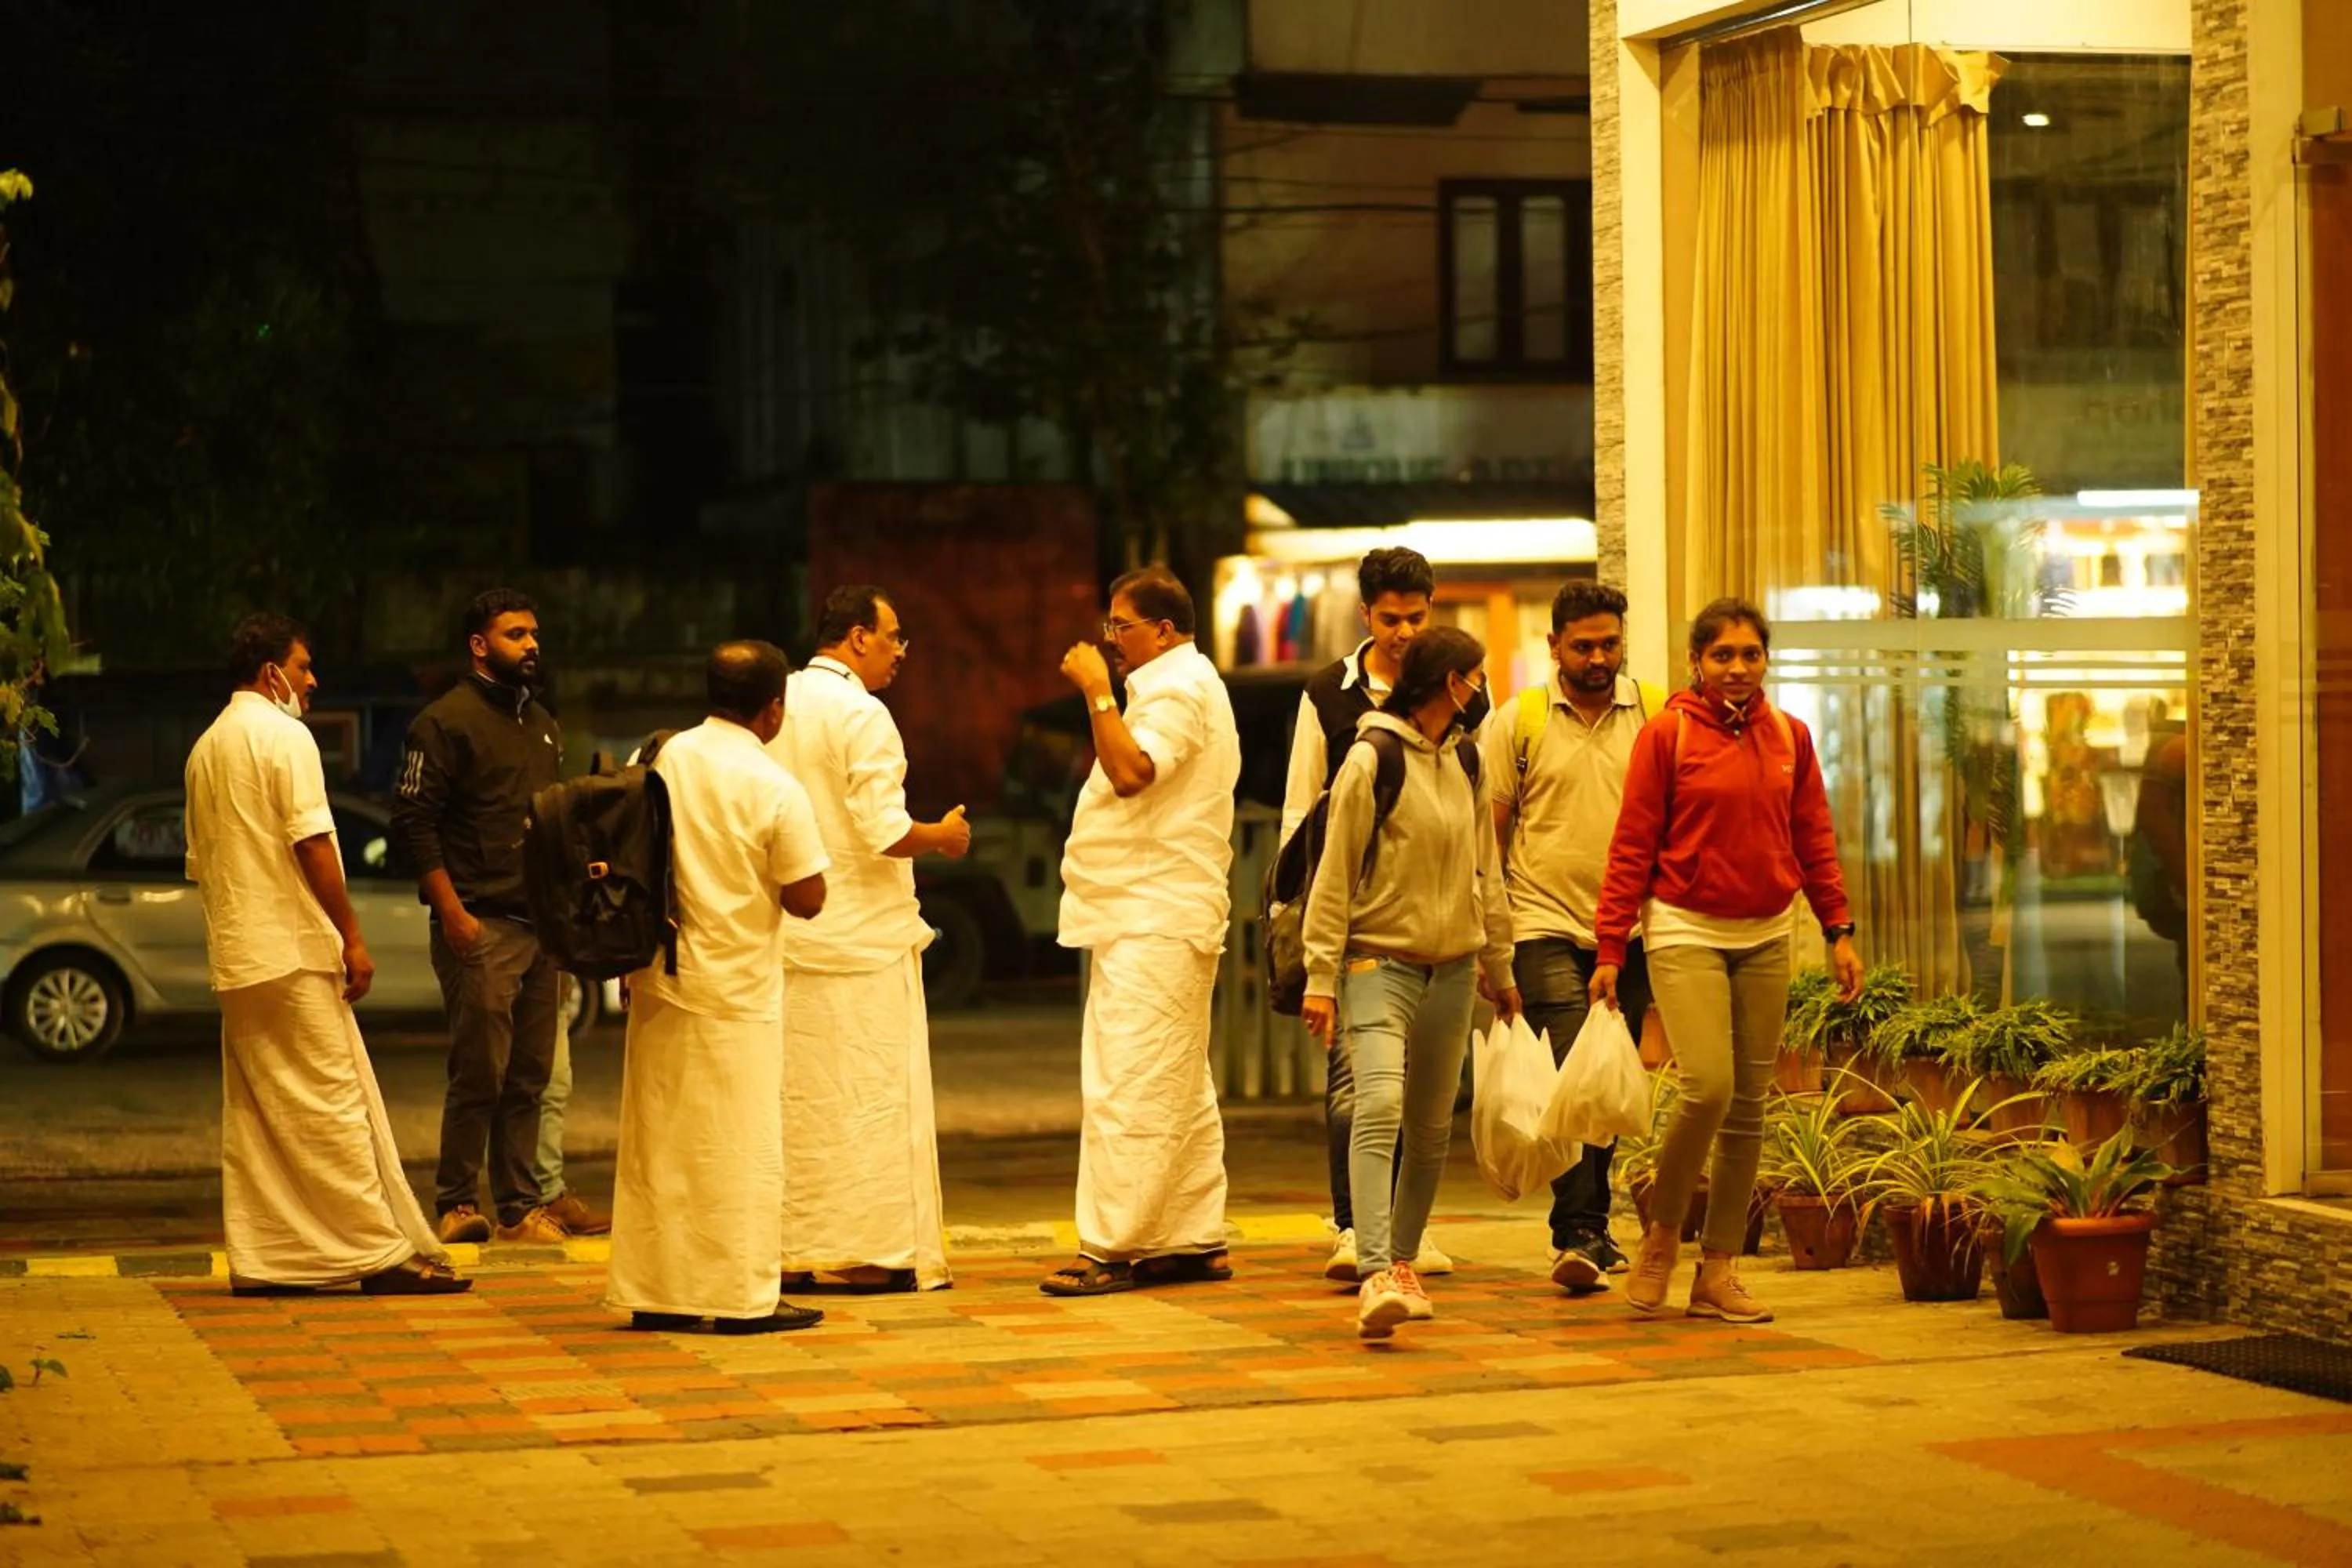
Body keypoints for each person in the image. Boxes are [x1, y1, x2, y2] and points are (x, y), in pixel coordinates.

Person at [1592, 598, 1861, 1325]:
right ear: (1696, 662)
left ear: (1765, 660)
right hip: (1684, 927)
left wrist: (1837, 928)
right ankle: (1661, 1236)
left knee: (1748, 1104)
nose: (1738, 668)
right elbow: (1631, 845)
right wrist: (1611, 944)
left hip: (1767, 932)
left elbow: (1813, 836)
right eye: (1723, 655)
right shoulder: (1668, 733)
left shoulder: (1791, 736)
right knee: (1708, 1084)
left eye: (1750, 654)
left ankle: (1718, 1271)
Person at [185, 614, 466, 1298]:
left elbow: (203, 866)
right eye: (304, 667)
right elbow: (312, 843)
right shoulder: (285, 738)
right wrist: (352, 937)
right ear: (271, 673)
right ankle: (376, 1253)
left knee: (262, 1113)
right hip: (289, 951)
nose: (313, 681)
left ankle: (272, 1258)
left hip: (238, 956)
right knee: (334, 1102)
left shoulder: (205, 749)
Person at [606, 641, 832, 1334]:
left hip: (660, 979)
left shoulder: (663, 758)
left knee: (660, 1145)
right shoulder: (773, 785)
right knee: (738, 1147)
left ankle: (657, 1293)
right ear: (774, 710)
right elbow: (807, 897)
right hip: (736, 991)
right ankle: (742, 1298)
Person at [1300, 627, 1519, 1339]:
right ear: (1450, 683)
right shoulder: (1372, 757)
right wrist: (1320, 975)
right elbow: (1335, 872)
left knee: (1429, 1126)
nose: (1481, 690)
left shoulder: (1468, 759)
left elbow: (1487, 869)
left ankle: (1401, 1264)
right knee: (1380, 1104)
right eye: (1476, 677)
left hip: (1453, 965)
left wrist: (1500, 966)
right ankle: (1372, 1270)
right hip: (1377, 962)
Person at [1040, 567, 1241, 1296]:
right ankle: (1191, 1238)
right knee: (1175, 1081)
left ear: (1163, 630)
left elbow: (1132, 772)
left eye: (1119, 627)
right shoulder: (1177, 685)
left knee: (1129, 1080)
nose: (1110, 641)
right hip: (1155, 913)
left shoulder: (1180, 688)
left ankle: (1112, 1248)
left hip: (1155, 915)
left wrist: (1096, 691)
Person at [772, 586, 969, 1293]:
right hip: (863, 943)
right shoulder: (862, 713)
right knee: (870, 1100)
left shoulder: (777, 703)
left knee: (797, 1106)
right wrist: (942, 836)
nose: (900, 652)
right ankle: (870, 1252)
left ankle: (792, 1251)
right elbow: (886, 830)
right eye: (894, 637)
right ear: (858, 637)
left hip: (793, 936)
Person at [394, 588, 604, 1246]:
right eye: (516, 635)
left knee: (531, 1076)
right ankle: (458, 1204)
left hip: (541, 926)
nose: (532, 644)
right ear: (479, 646)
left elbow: (552, 823)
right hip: (480, 922)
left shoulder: (540, 722)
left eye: (534, 633)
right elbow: (414, 825)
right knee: (479, 1072)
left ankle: (516, 1210)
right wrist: (454, 914)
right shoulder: (443, 722)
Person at [1483, 581, 1666, 1294]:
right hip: (1541, 920)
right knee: (1569, 1069)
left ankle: (1589, 1230)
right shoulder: (1519, 721)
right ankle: (1580, 1230)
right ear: (1554, 645)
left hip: (1634, 927)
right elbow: (1490, 837)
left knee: (1607, 1078)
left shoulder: (1655, 713)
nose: (1598, 658)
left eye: (1609, 644)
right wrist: (1491, 939)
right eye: (1583, 645)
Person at [1278, 546, 1454, 1283]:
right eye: (1390, 619)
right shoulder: (1328, 694)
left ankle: (1406, 1231)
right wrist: (1296, 909)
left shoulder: (1455, 693)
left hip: (1434, 918)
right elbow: (1300, 805)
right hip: (1355, 916)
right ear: (1365, 616)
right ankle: (1355, 1226)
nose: (1404, 632)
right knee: (1359, 1080)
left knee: (1420, 1085)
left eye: (1415, 617)